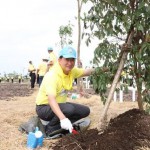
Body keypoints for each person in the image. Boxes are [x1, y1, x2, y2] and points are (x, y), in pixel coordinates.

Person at [36, 46, 95, 135]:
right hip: (44, 107)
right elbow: (51, 100)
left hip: (61, 105)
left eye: (72, 60)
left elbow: (86, 72)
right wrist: (63, 119)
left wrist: (105, 69)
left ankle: (62, 124)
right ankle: (50, 128)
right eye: (67, 59)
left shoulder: (72, 71)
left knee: (85, 111)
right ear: (59, 60)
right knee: (69, 109)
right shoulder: (52, 75)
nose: (70, 63)